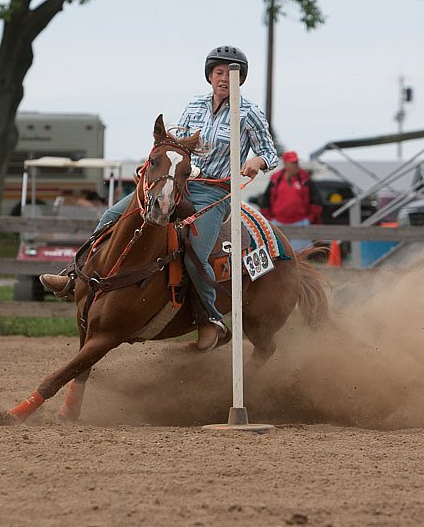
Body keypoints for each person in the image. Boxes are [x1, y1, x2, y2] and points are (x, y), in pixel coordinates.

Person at [40, 45, 278, 351]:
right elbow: (178, 144)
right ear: (210, 76)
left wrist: (257, 162)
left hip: (214, 193)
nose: (223, 79)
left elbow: (270, 152)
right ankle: (74, 277)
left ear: (240, 79)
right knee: (112, 216)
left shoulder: (249, 114)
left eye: (230, 74)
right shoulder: (194, 105)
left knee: (195, 250)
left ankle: (210, 318)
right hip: (181, 183)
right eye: (218, 73)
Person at [260, 150, 322, 252]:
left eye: (296, 162)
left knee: (301, 255)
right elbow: (265, 200)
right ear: (285, 163)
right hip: (278, 222)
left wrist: (310, 219)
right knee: (277, 252)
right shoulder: (276, 179)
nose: (295, 165)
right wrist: (269, 220)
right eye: (292, 163)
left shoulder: (305, 179)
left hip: (300, 223)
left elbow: (316, 201)